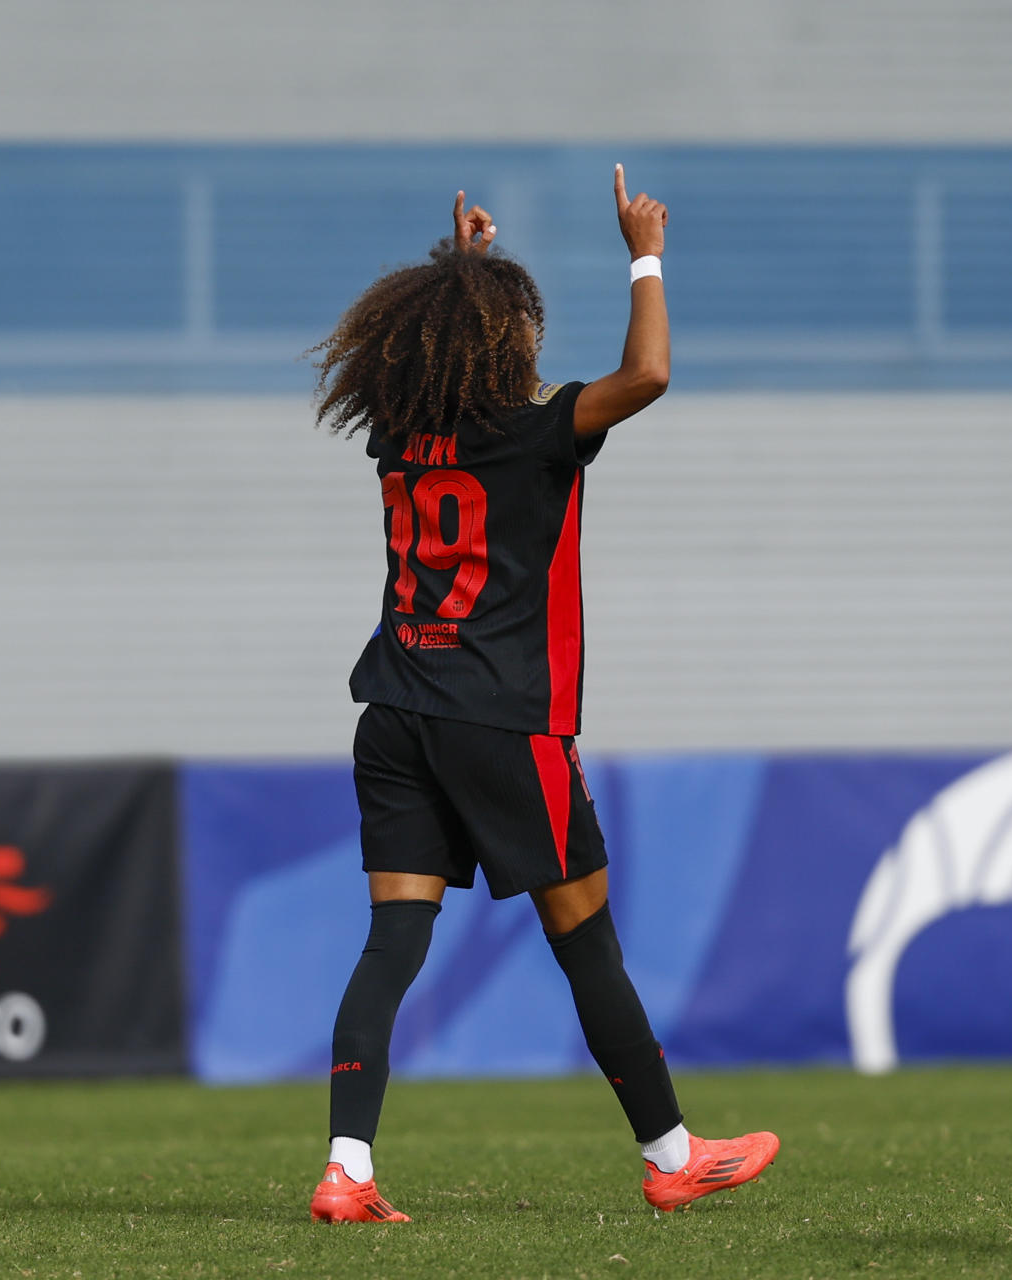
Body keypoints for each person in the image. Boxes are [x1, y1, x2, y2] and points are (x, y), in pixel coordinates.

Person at [307, 171, 778, 1223]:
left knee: (391, 941)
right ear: (498, 342)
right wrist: (643, 249)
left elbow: (439, 368)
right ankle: (671, 1153)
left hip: (393, 711)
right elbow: (647, 373)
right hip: (503, 722)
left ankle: (347, 1167)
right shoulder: (535, 432)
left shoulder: (396, 432)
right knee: (586, 942)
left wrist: (463, 267)